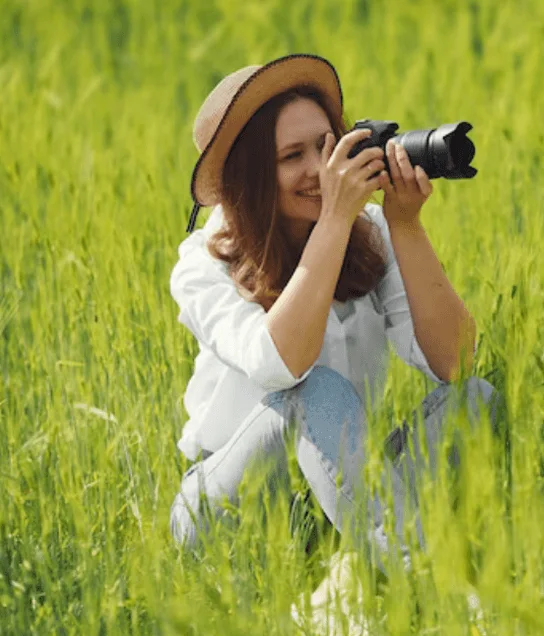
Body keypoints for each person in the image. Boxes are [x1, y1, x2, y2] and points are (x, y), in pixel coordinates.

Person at [167, 53, 501, 579]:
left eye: (327, 146)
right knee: (315, 390)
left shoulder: (367, 231)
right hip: (233, 509)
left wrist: (405, 225)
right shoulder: (202, 262)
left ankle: (351, 574)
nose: (320, 170)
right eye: (291, 156)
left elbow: (454, 362)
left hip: (340, 493)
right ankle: (421, 583)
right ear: (251, 175)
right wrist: (337, 219)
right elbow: (283, 366)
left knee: (475, 401)